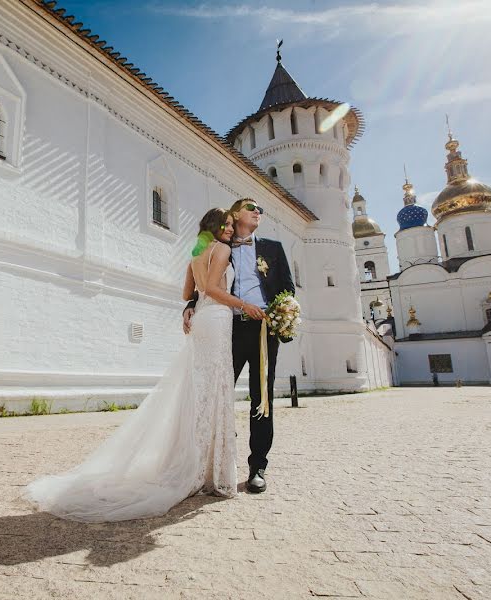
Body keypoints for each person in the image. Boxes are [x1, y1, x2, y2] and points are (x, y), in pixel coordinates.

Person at [23, 208, 265, 522]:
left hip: (202, 319)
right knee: (213, 389)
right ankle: (209, 469)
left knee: (200, 389)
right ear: (217, 226)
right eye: (229, 224)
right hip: (218, 319)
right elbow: (218, 291)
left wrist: (197, 302)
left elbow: (186, 293)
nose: (232, 229)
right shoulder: (220, 249)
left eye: (234, 225)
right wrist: (244, 304)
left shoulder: (195, 252)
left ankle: (197, 461)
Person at [184, 198, 294, 494]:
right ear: (234, 215)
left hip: (263, 331)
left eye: (261, 208)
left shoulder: (273, 248)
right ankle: (219, 462)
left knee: (262, 399)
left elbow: (287, 288)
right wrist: (191, 305)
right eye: (251, 207)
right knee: (217, 393)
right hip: (228, 328)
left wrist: (283, 314)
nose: (259, 211)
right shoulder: (222, 246)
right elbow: (207, 283)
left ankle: (257, 466)